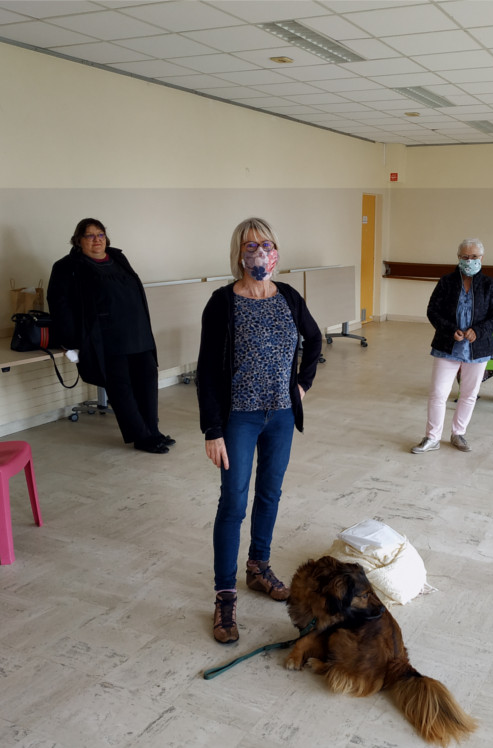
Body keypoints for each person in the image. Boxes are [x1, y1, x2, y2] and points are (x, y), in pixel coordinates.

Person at [197, 217, 322, 644]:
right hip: (239, 417)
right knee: (233, 502)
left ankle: (258, 567)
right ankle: (225, 595)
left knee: (270, 493)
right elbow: (207, 371)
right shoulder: (222, 302)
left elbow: (314, 339)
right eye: (250, 246)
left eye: (266, 245)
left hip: (281, 415)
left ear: (276, 253)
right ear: (238, 254)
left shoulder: (288, 296)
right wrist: (212, 430)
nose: (260, 253)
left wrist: (302, 385)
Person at [47, 218, 172, 454]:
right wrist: (72, 341)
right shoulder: (67, 266)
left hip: (137, 333)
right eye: (90, 235)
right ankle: (141, 437)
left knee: (147, 379)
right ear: (78, 240)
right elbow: (60, 305)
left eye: (101, 234)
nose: (97, 240)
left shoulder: (118, 258)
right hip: (105, 338)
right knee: (121, 387)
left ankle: (152, 430)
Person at [411, 238, 493, 454]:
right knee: (438, 393)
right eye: (465, 257)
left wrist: (478, 331)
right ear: (458, 258)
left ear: (481, 258)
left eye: (474, 257)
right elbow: (432, 310)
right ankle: (432, 437)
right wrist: (449, 329)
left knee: (469, 394)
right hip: (447, 347)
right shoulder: (446, 281)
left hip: (477, 349)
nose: (469, 261)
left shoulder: (490, 284)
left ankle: (458, 433)